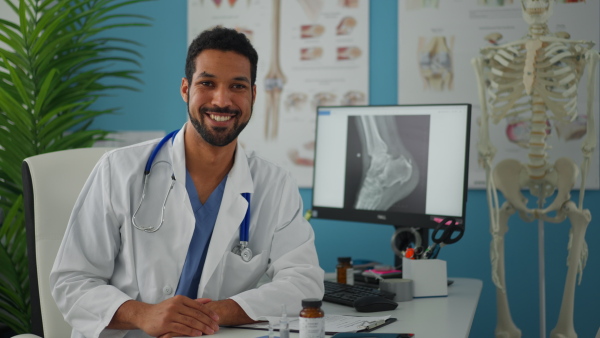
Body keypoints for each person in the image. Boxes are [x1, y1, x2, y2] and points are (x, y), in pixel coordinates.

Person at [50, 26, 325, 338]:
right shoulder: (119, 169)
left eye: (237, 86)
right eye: (207, 83)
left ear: (253, 95)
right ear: (185, 89)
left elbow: (304, 282)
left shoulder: (274, 184)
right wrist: (145, 315)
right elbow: (72, 282)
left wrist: (211, 314)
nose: (222, 100)